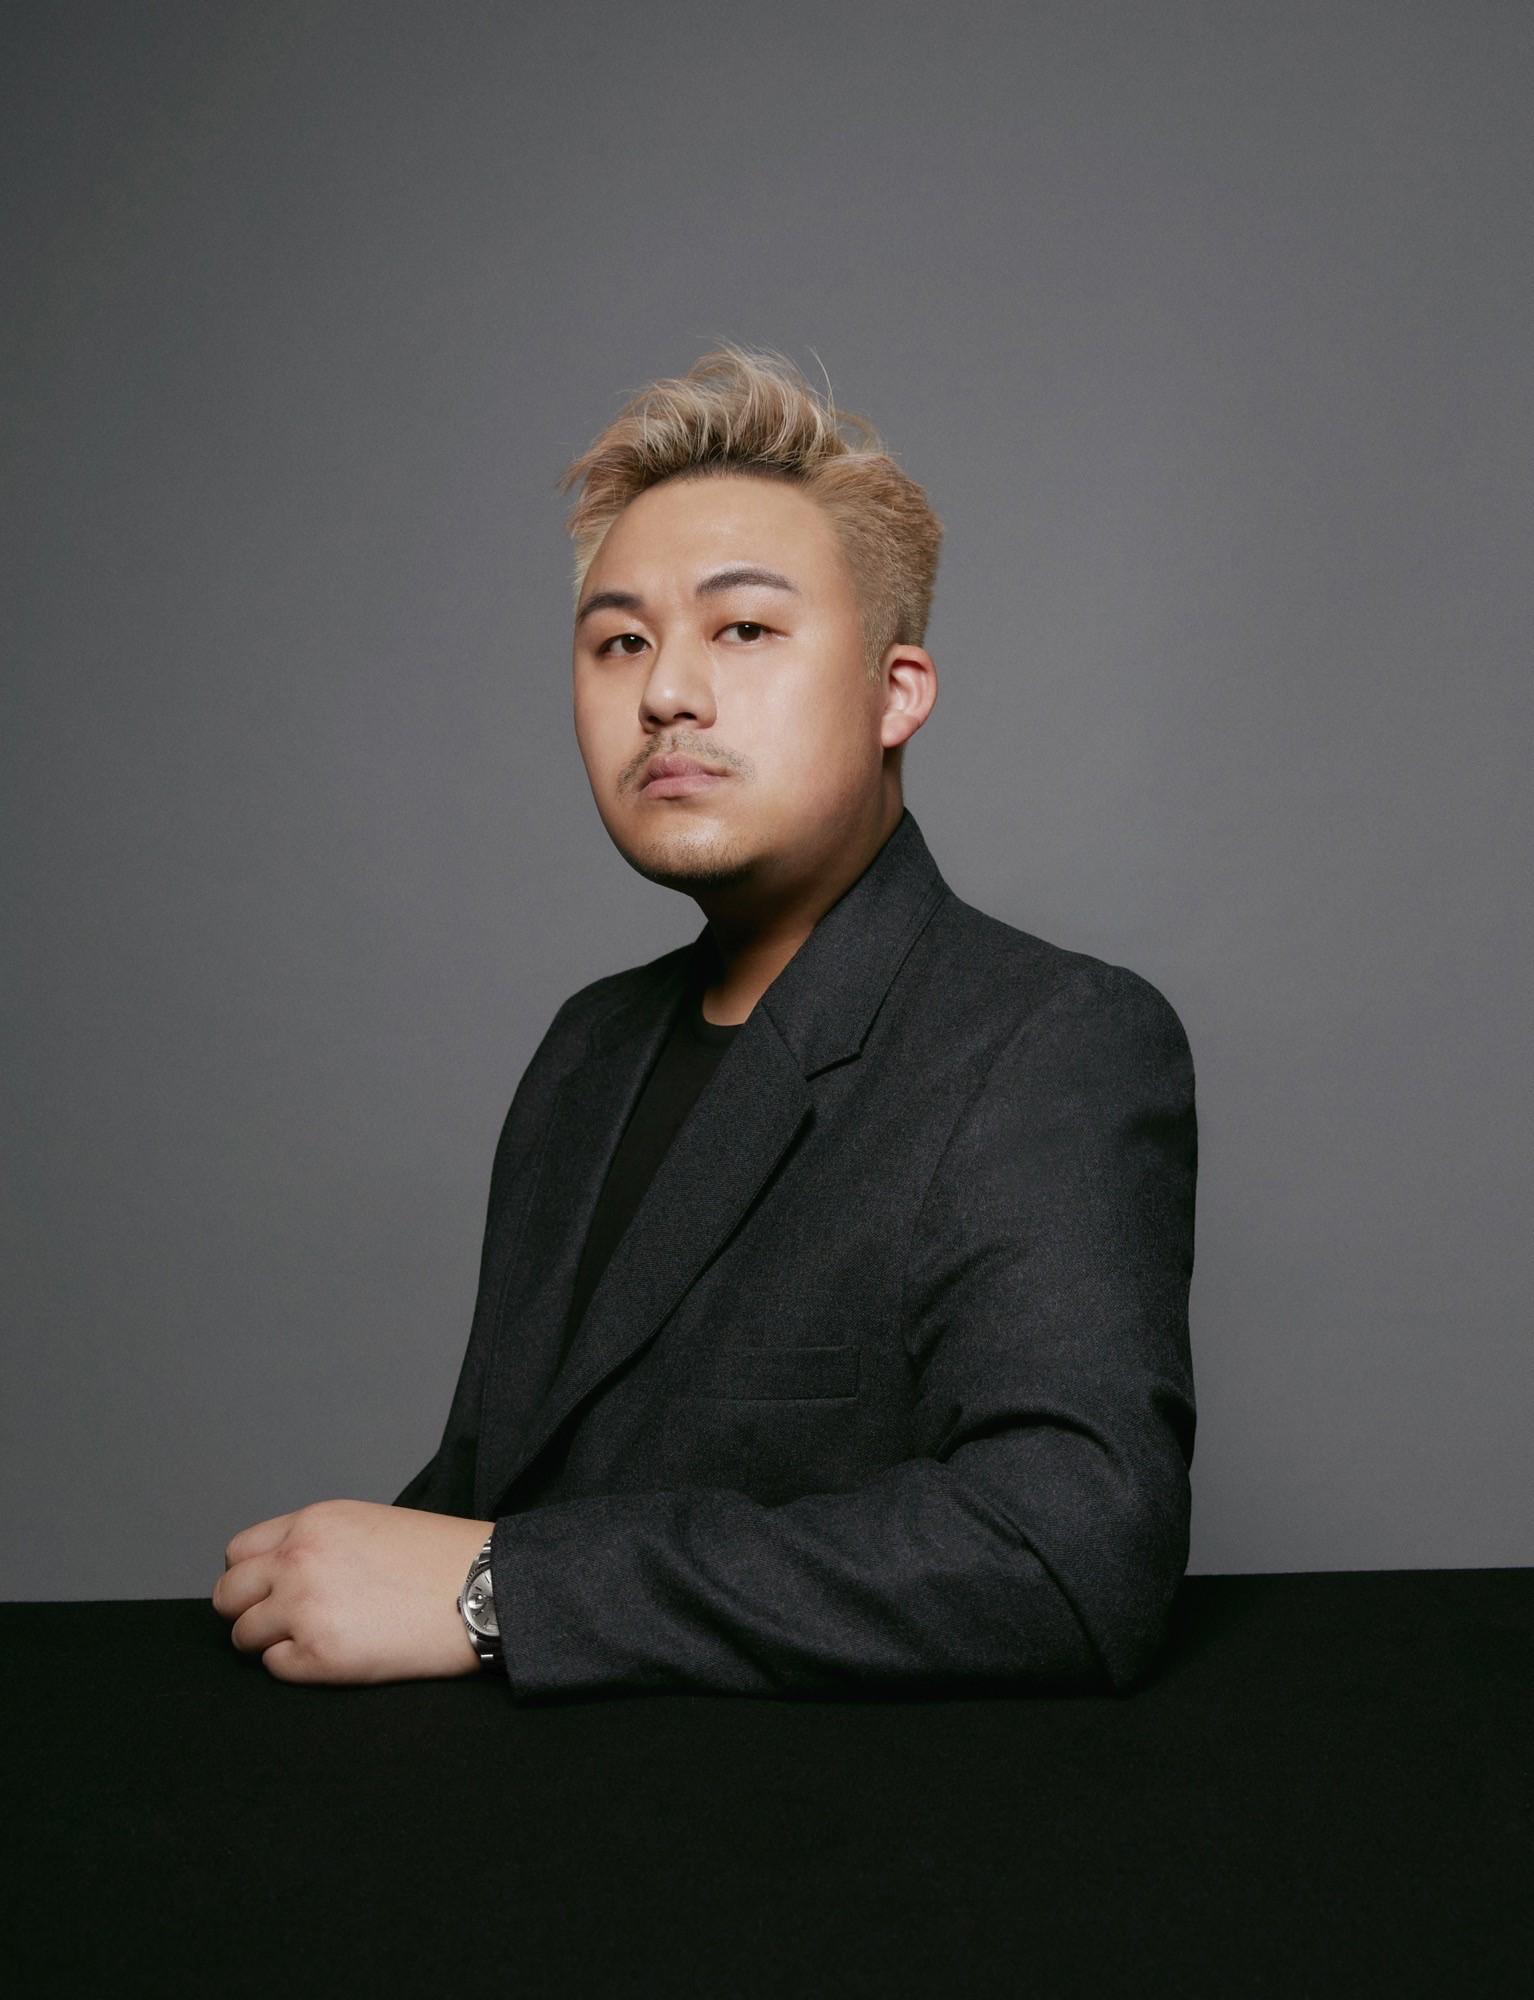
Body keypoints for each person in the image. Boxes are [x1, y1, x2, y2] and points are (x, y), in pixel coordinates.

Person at [212, 345, 1198, 1698]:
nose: (665, 692)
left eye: (742, 630)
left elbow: (1069, 1555)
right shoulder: (587, 1050)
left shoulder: (1051, 1041)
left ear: (897, 692)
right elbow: (508, 1489)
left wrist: (502, 1592)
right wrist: (327, 1576)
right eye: (621, 641)